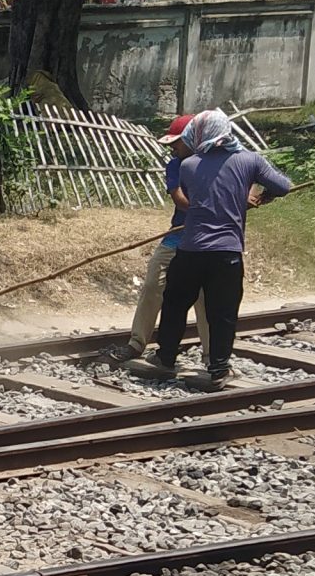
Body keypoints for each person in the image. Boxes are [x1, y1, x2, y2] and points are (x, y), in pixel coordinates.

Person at [129, 110, 293, 390]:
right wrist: (260, 198)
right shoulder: (250, 160)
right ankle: (218, 368)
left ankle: (166, 357)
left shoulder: (188, 165)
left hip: (191, 248)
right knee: (223, 311)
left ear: (198, 135)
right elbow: (283, 186)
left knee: (174, 303)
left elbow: (198, 196)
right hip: (227, 251)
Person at [125, 116, 209, 359]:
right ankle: (137, 343)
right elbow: (179, 199)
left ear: (194, 139)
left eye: (177, 142)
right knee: (153, 285)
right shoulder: (175, 165)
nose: (173, 147)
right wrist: (209, 209)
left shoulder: (216, 164)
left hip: (206, 241)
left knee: (204, 297)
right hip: (176, 237)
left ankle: (212, 356)